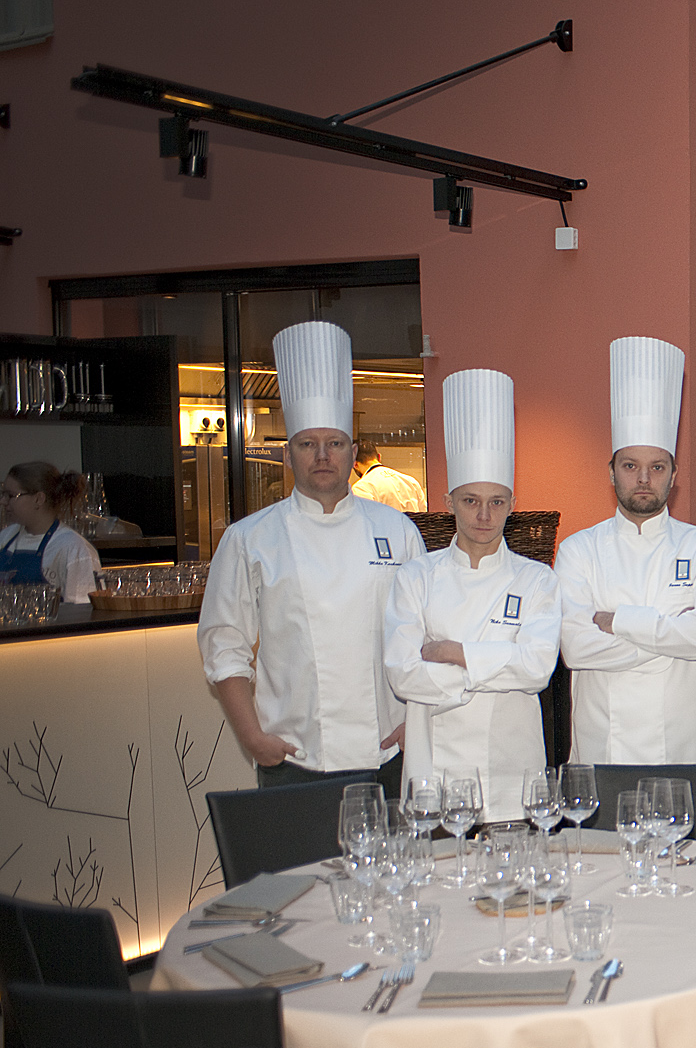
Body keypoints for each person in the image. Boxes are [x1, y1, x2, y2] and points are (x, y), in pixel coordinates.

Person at [197, 321, 423, 788]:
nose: (323, 455)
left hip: (389, 754)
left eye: (335, 444)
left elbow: (428, 634)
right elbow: (224, 646)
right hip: (293, 760)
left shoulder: (397, 530)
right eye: (308, 444)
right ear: (288, 454)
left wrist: (417, 722)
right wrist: (252, 738)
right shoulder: (248, 539)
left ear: (352, 451)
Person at [383, 369, 559, 820]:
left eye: (497, 501)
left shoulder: (538, 580)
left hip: (512, 776)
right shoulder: (415, 577)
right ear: (448, 501)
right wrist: (489, 667)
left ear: (512, 505)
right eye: (470, 500)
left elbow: (537, 669)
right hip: (434, 778)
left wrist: (451, 652)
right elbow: (402, 674)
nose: (484, 515)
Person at [554, 337, 696, 765]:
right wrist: (671, 638)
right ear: (611, 472)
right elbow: (575, 648)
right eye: (630, 466)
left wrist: (618, 622)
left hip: (682, 753)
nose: (643, 479)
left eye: (657, 467)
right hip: (602, 756)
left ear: (674, 476)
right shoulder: (578, 550)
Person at [0, 462, 100, 601]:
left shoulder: (72, 548)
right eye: (3, 494)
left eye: (11, 495)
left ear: (38, 499)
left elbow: (82, 610)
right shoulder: (5, 537)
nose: (3, 502)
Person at [349, 441, 428, 511]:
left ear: (355, 464)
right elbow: (424, 516)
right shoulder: (411, 481)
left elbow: (366, 522)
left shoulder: (362, 487)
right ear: (379, 457)